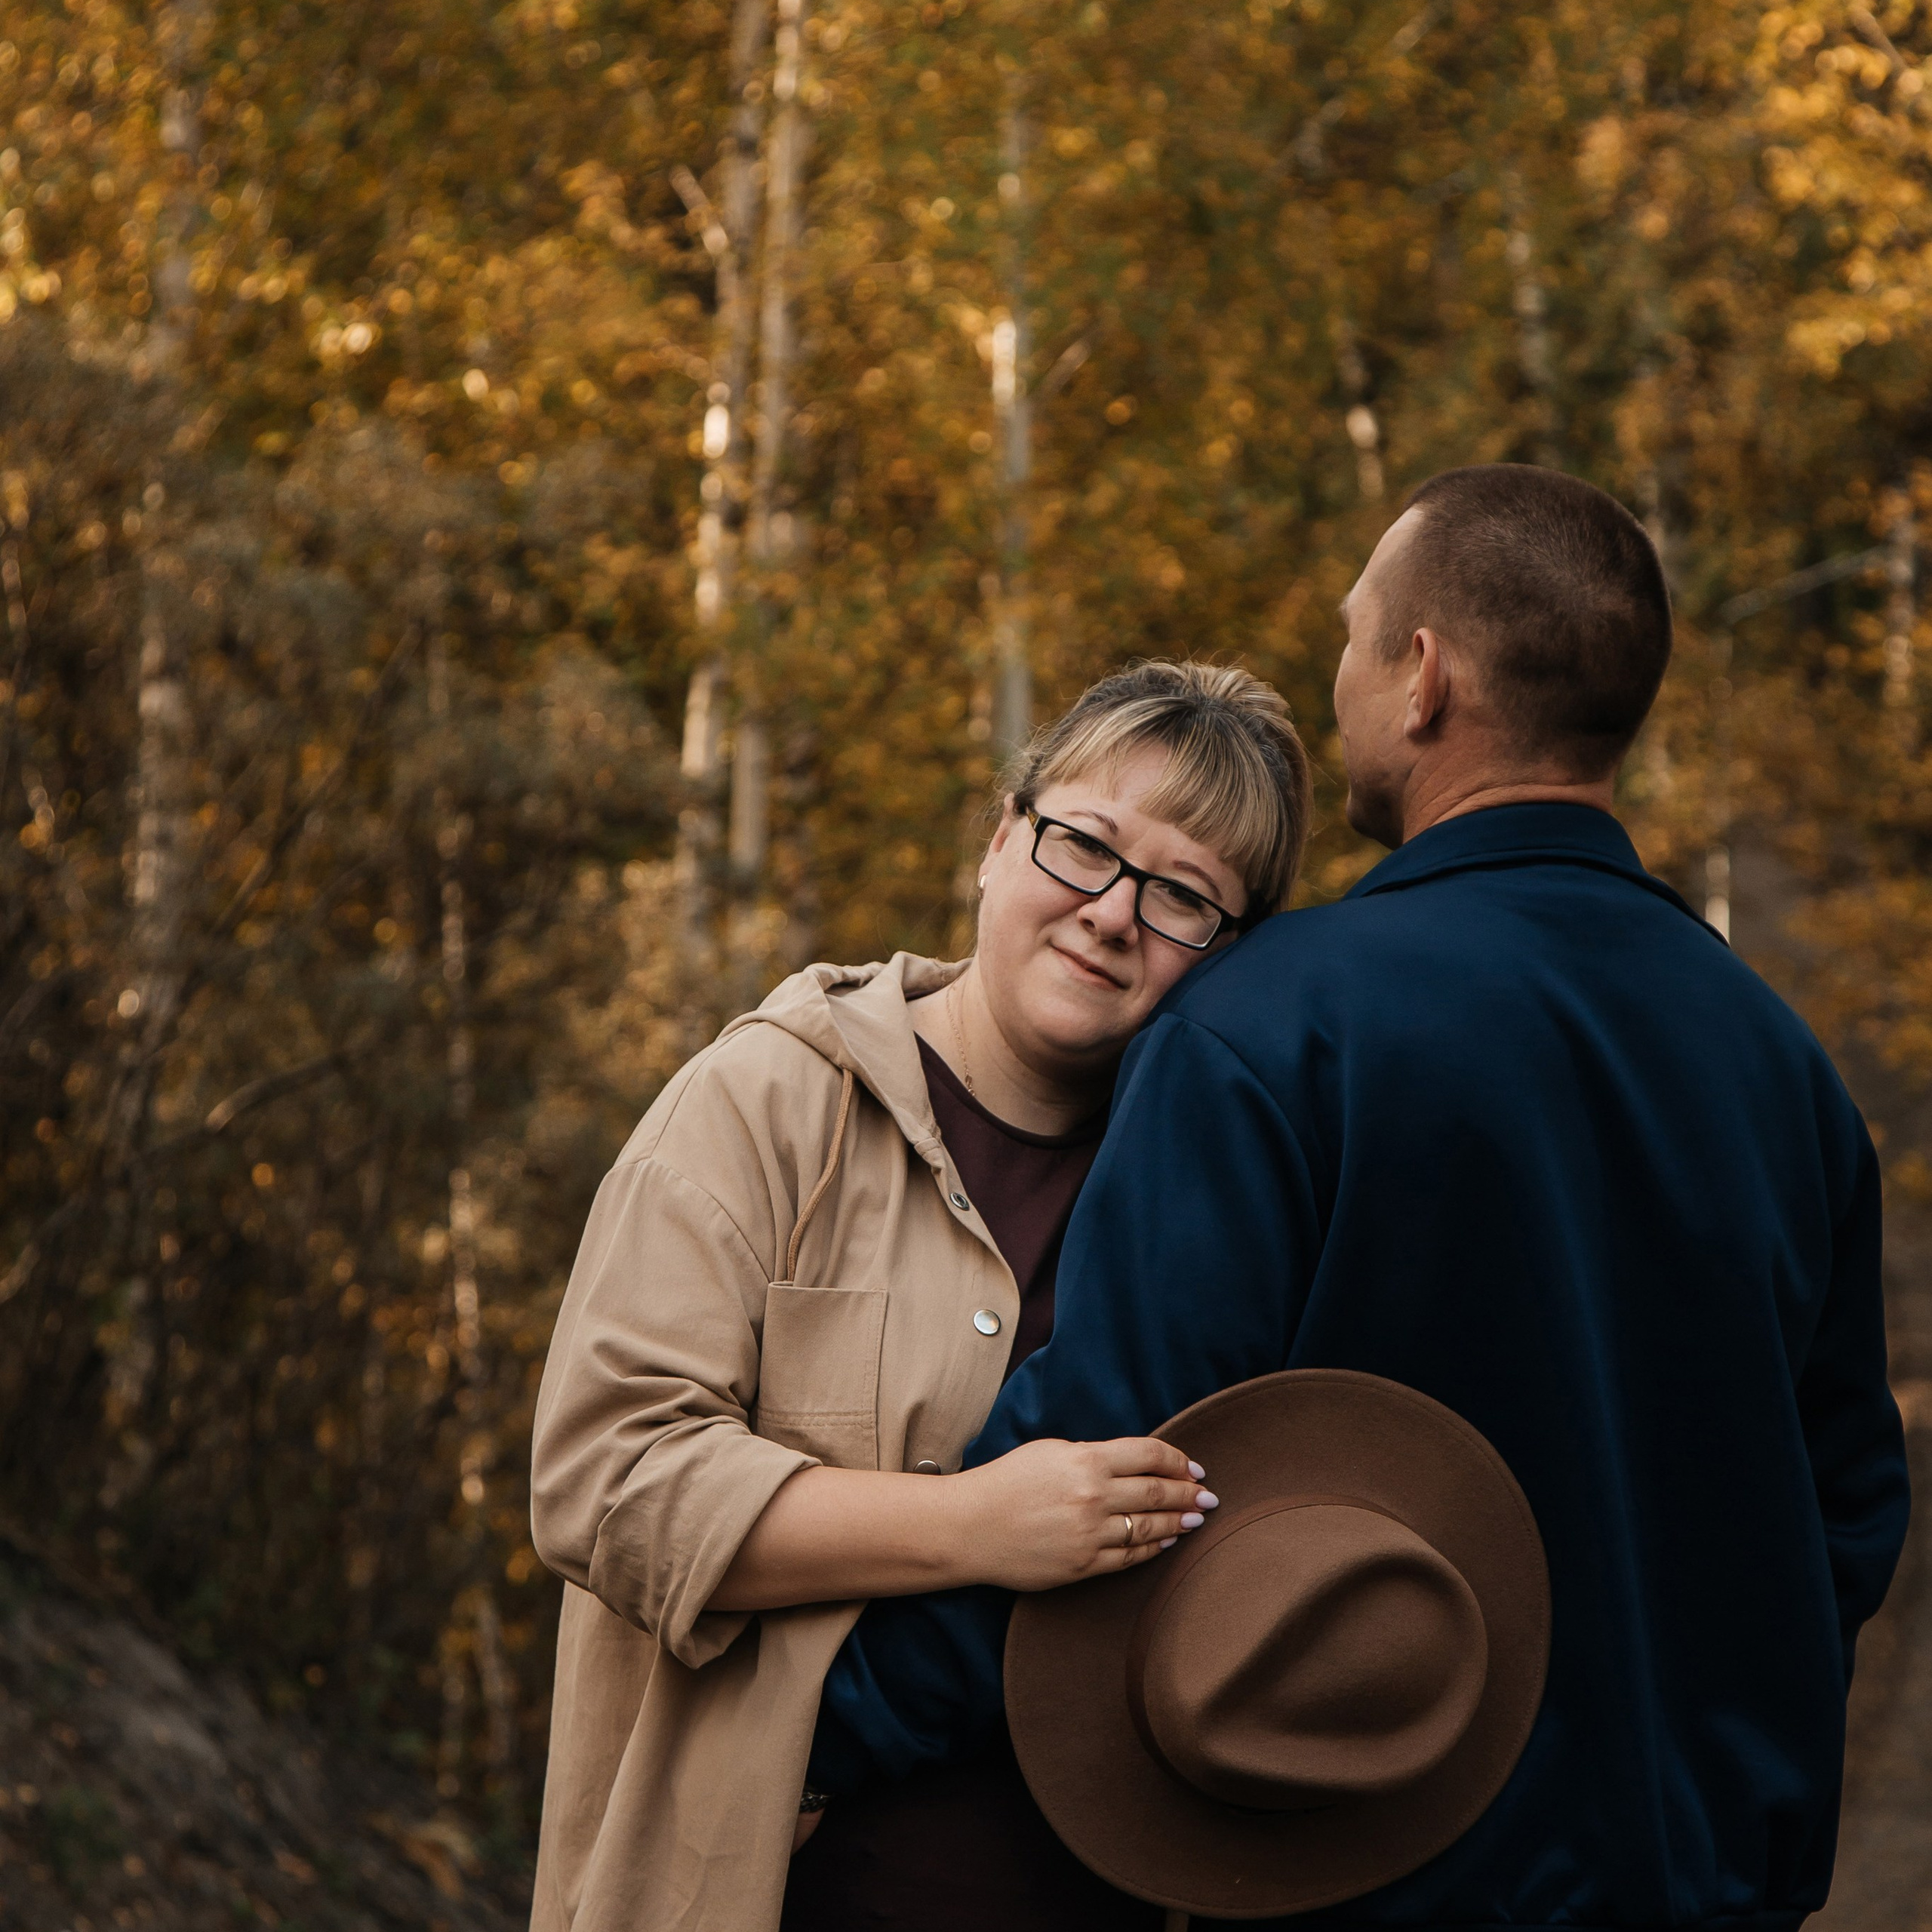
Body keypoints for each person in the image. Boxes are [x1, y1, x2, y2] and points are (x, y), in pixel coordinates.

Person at [808, 466, 1912, 1929]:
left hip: (1370, 1872)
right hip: (1711, 1880)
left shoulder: (1268, 1029)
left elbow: (1107, 1463)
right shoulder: (1784, 1071)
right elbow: (1842, 1517)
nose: (1335, 682)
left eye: (1347, 638)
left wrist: (828, 1732)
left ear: (1421, 675)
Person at [526, 661, 1315, 1932]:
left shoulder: (1205, 1206)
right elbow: (605, 1483)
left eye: (1184, 898)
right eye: (1084, 848)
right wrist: (974, 1526)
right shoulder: (769, 1103)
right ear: (1003, 839)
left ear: (1231, 958)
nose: (1114, 914)